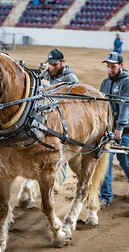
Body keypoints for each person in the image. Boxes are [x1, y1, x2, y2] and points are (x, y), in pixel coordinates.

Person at [98, 52, 129, 209]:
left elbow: (126, 105)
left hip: (126, 131)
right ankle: (105, 196)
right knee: (105, 163)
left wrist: (120, 127)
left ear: (121, 66)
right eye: (108, 67)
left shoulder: (128, 83)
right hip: (108, 131)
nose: (110, 70)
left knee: (126, 162)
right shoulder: (104, 83)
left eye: (113, 67)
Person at [41, 48, 79, 188]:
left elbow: (75, 103)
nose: (52, 67)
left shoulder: (71, 78)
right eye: (50, 64)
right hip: (48, 119)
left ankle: (59, 180)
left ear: (63, 62)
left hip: (64, 121)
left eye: (55, 64)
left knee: (61, 149)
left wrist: (50, 88)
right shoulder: (46, 74)